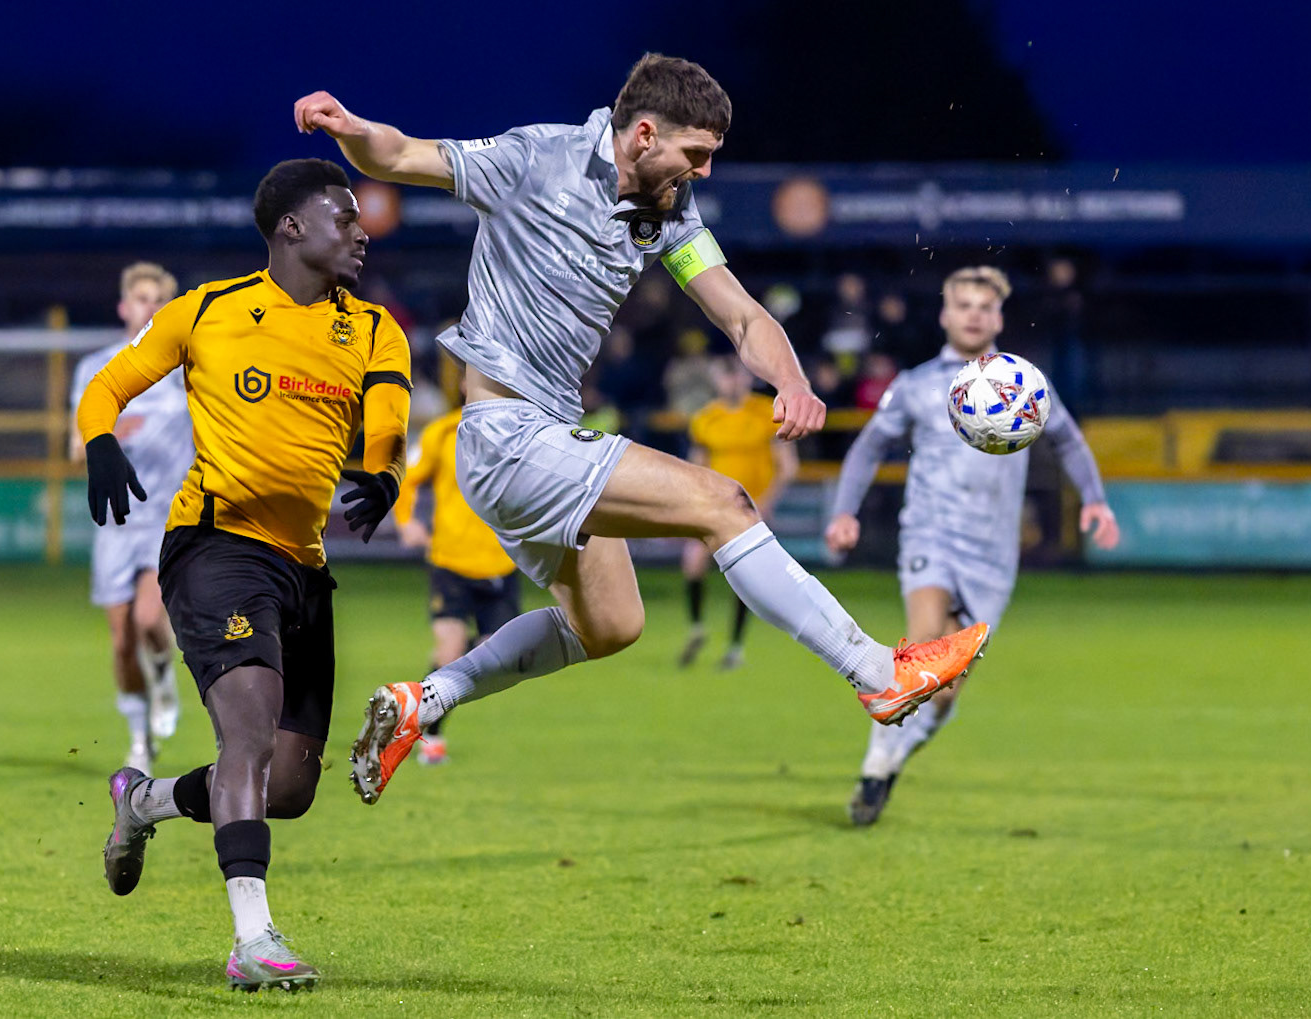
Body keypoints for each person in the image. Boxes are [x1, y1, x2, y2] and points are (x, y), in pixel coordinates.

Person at [294, 52, 989, 809]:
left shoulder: (669, 210)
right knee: (724, 503)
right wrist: (351, 130)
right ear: (644, 134)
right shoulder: (535, 159)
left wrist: (788, 378)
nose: (705, 172)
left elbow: (740, 314)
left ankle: (425, 699)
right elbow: (396, 155)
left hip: (541, 442)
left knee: (612, 624)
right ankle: (880, 675)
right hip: (503, 433)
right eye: (697, 154)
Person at [77, 158, 411, 992]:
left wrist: (383, 471)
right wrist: (100, 439)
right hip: (215, 544)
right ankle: (253, 938)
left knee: (290, 785)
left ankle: (145, 801)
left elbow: (391, 411)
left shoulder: (373, 326)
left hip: (304, 566)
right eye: (345, 216)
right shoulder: (208, 310)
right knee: (250, 735)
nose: (361, 230)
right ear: (291, 226)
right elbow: (110, 384)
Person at [824, 266, 1120, 826]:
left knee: (945, 690)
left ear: (999, 316)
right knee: (922, 651)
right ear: (945, 313)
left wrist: (1095, 499)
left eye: (985, 306)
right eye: (963, 304)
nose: (974, 314)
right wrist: (845, 510)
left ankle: (888, 759)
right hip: (930, 534)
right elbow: (867, 448)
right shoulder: (914, 385)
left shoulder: (1027, 383)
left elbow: (1070, 441)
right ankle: (874, 765)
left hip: (993, 552)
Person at [69, 262, 195, 774]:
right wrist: (112, 437)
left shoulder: (185, 369)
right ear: (124, 306)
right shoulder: (96, 367)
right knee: (122, 641)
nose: (146, 306)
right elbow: (78, 446)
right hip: (116, 521)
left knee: (149, 619)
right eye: (138, 298)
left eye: (155, 299)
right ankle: (140, 739)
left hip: (167, 517)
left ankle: (164, 674)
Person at [394, 405, 522, 764]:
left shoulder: (521, 431)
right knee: (450, 651)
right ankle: (430, 734)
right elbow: (407, 477)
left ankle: (418, 701)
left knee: (494, 661)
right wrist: (406, 523)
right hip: (450, 562)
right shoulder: (443, 432)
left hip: (501, 563)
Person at [679, 355, 798, 670]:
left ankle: (735, 647)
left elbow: (787, 466)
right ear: (716, 381)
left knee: (746, 575)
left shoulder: (766, 413)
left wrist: (766, 502)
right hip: (715, 506)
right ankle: (697, 628)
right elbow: (697, 467)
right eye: (725, 377)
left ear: (747, 379)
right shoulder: (705, 419)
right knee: (692, 561)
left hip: (751, 509)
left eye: (737, 376)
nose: (732, 382)